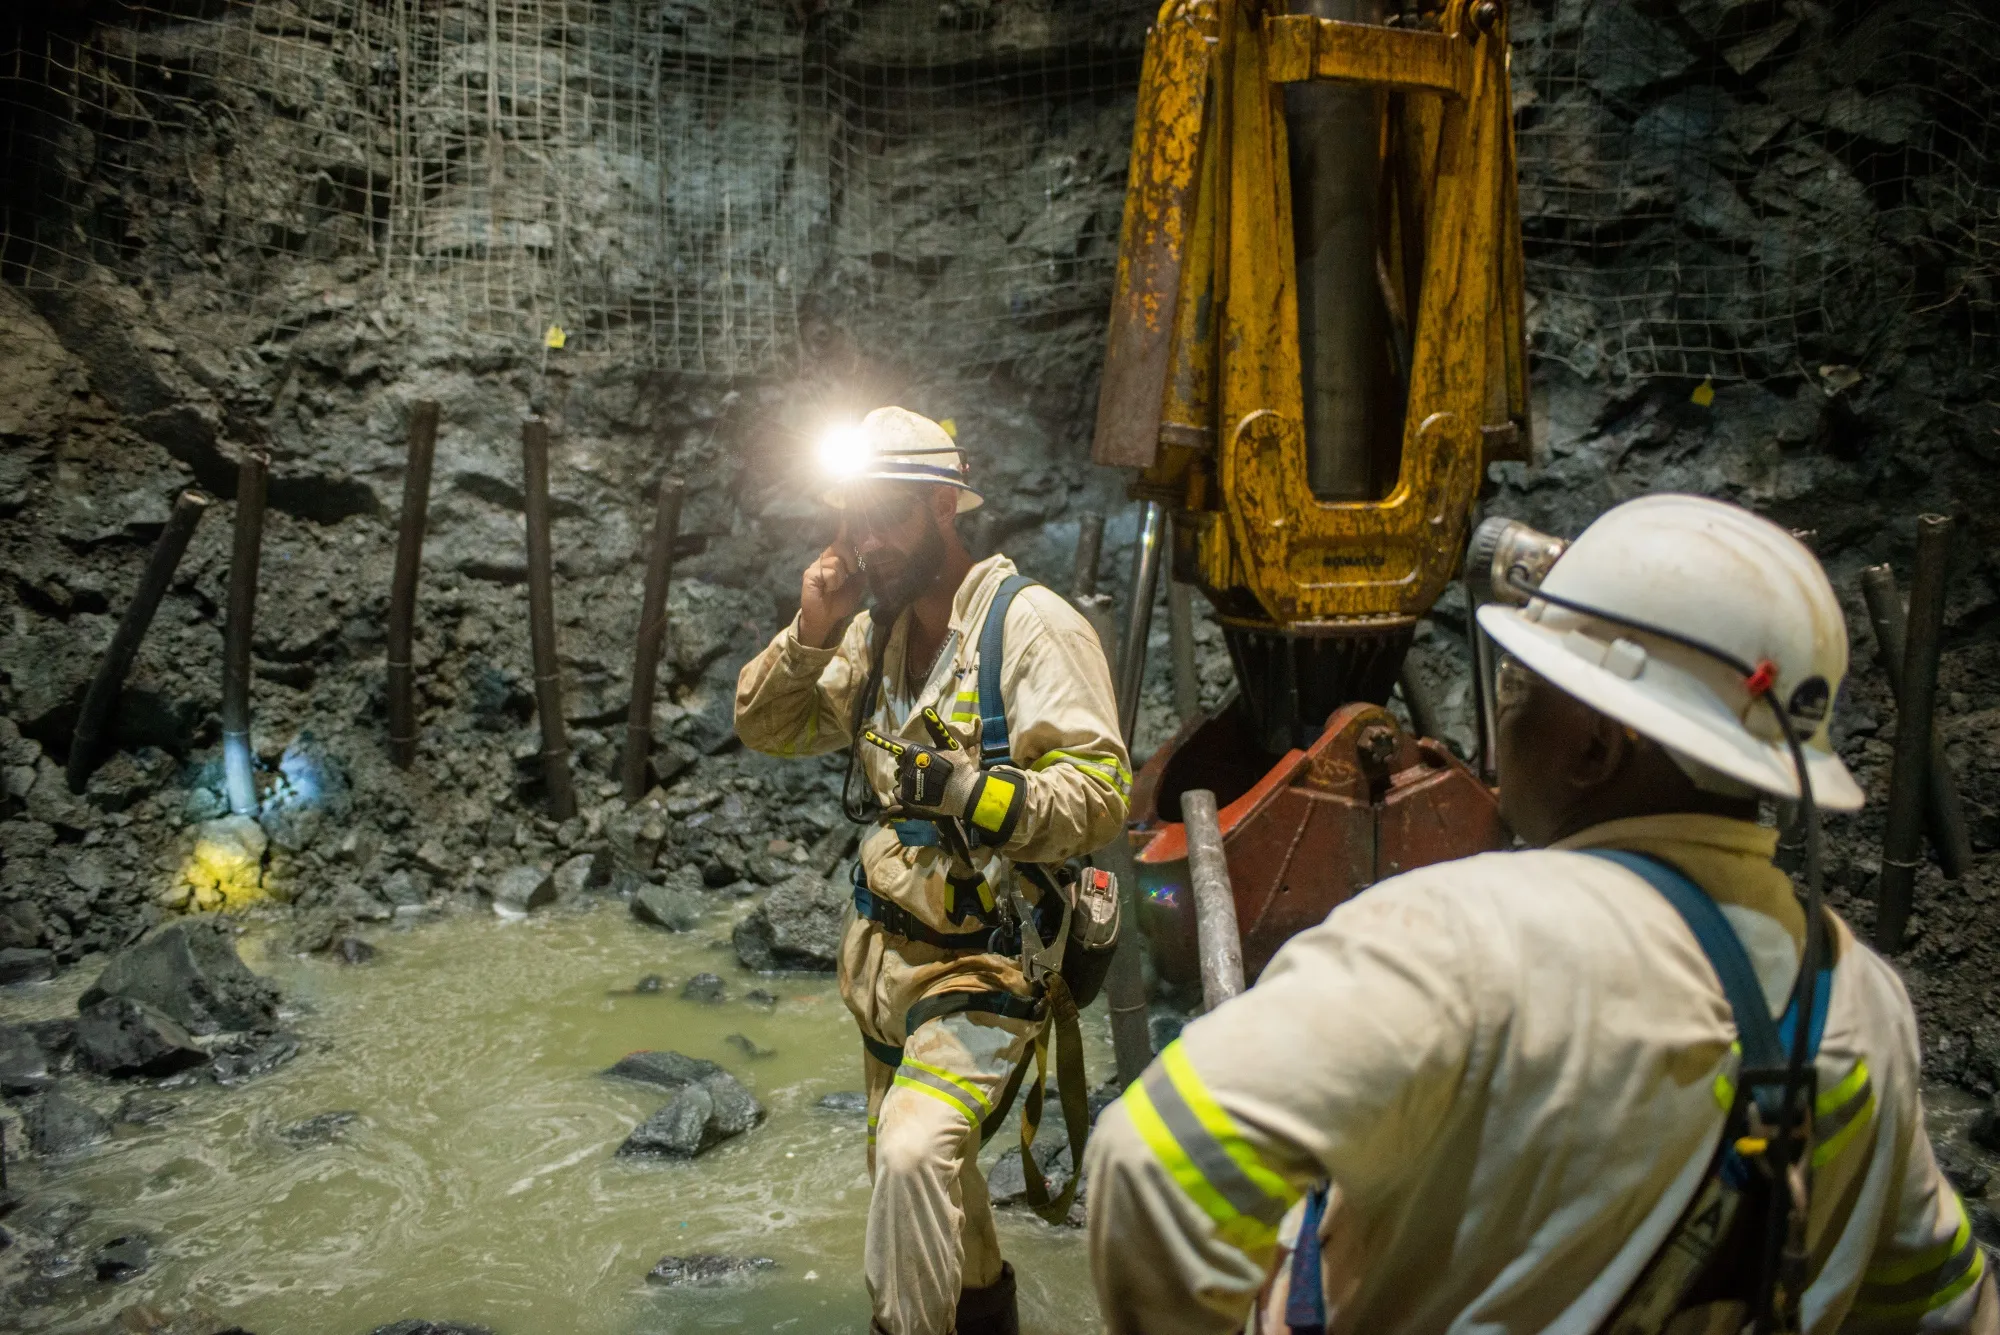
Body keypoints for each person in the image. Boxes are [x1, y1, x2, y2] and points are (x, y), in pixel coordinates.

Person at [1085, 493, 1995, 1335]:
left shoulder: (1455, 935)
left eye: (1523, 684)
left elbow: (1152, 1165)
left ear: (1597, 745)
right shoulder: (1864, 999)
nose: (1500, 710)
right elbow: (1941, 1300)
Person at [735, 406, 1129, 1335]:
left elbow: (1102, 794)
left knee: (913, 1157)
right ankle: (990, 1312)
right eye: (855, 519)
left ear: (945, 505)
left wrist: (971, 791)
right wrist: (813, 625)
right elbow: (767, 725)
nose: (868, 542)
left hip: (988, 962)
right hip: (884, 966)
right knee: (925, 1185)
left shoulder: (1028, 627)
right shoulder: (872, 634)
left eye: (891, 518)